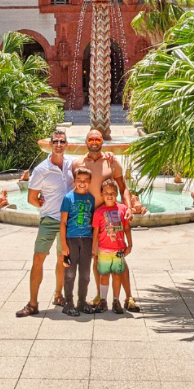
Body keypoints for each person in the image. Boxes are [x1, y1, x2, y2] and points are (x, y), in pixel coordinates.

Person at [80, 129, 141, 311]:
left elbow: (123, 188)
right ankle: (101, 296)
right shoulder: (78, 163)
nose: (94, 141)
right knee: (97, 259)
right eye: (91, 138)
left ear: (102, 142)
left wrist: (129, 207)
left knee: (120, 259)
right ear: (86, 141)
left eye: (98, 138)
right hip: (90, 219)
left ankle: (128, 297)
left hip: (112, 219)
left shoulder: (112, 162)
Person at [17, 129, 74, 317]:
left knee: (61, 259)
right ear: (51, 144)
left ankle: (58, 295)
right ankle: (32, 303)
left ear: (66, 144)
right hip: (49, 220)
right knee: (38, 258)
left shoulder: (70, 164)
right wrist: (43, 204)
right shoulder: (41, 169)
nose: (59, 144)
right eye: (55, 141)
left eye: (62, 141)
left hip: (67, 221)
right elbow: (31, 198)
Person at [59, 165, 96, 316]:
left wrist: (94, 245)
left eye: (86, 180)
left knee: (85, 274)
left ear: (90, 182)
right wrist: (63, 244)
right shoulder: (68, 198)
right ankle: (69, 303)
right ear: (74, 181)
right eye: (79, 180)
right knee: (69, 273)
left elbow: (93, 221)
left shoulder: (91, 199)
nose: (82, 183)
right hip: (71, 240)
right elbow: (63, 222)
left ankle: (82, 302)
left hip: (86, 240)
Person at [92, 179, 132, 313]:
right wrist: (94, 249)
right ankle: (103, 300)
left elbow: (127, 228)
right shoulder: (98, 212)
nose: (109, 195)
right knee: (104, 275)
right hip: (104, 249)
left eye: (113, 193)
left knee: (117, 275)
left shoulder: (123, 209)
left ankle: (116, 300)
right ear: (102, 194)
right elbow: (96, 232)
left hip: (119, 250)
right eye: (106, 193)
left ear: (117, 194)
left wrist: (130, 244)